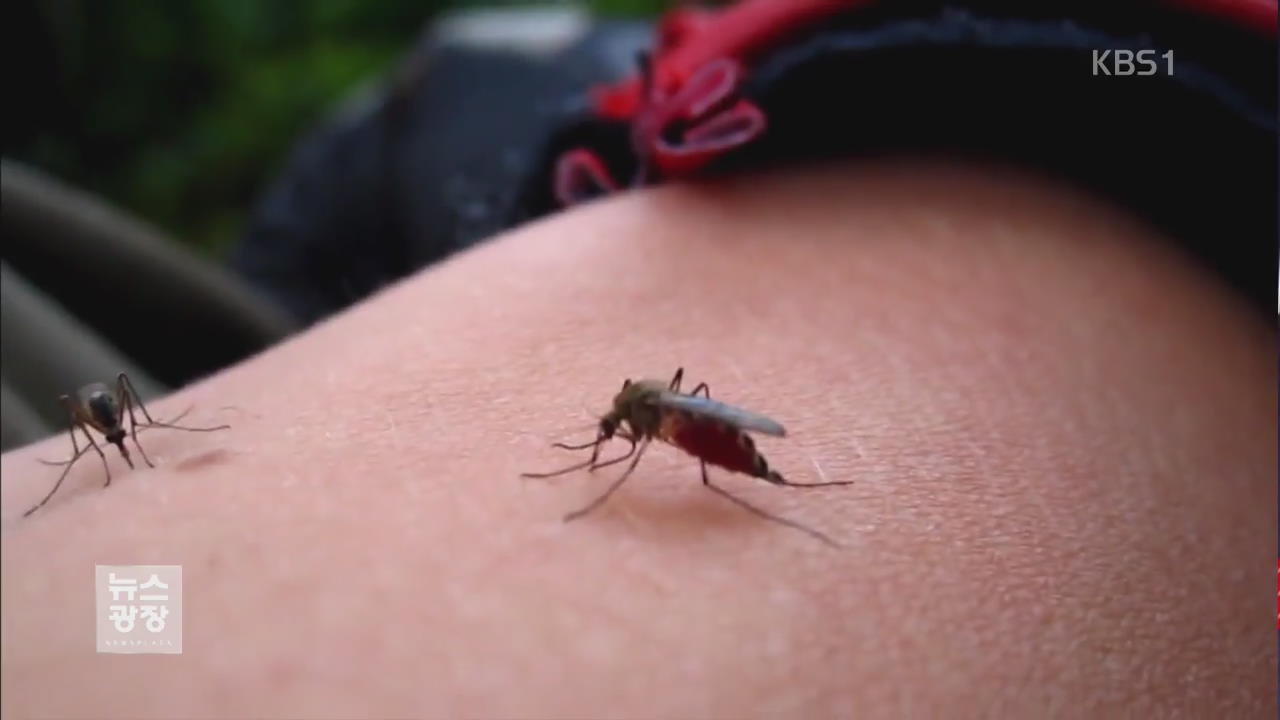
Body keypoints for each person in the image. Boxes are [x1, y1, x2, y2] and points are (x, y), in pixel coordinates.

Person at [2, 2, 1274, 716]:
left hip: (907, 79)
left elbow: (657, 418)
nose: (616, 438)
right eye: (618, 435)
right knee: (397, 153)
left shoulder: (661, 416)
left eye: (615, 434)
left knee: (395, 157)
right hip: (730, 92)